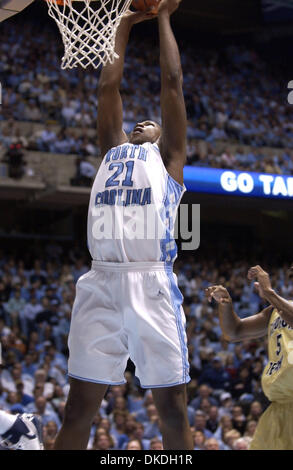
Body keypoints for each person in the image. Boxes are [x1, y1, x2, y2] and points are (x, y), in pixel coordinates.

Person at [54, 0, 192, 451]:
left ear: (163, 137)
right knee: (77, 410)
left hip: (150, 282)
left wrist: (166, 17)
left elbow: (171, 84)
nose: (142, 121)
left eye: (151, 122)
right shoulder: (112, 149)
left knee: (172, 412)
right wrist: (126, 22)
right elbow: (107, 88)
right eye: (140, 120)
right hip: (100, 280)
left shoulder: (168, 160)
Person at [205, 264, 293, 450]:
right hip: (279, 406)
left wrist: (269, 292)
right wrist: (225, 303)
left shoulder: (279, 305)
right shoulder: (275, 310)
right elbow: (234, 332)